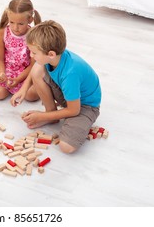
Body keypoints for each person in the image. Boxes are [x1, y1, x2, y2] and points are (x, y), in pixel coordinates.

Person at [10, 20, 101, 154]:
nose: (31, 55)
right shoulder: (54, 57)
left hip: (84, 106)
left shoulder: (70, 73)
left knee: (66, 147)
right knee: (37, 69)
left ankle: (53, 116)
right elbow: (35, 69)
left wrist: (41, 116)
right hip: (68, 95)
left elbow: (74, 110)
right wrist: (23, 89)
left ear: (51, 54)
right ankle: (52, 114)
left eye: (34, 53)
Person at [0, 0, 41, 101]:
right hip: (7, 70)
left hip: (25, 73)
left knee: (32, 96)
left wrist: (18, 79)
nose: (15, 28)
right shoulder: (3, 32)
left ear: (30, 20)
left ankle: (21, 87)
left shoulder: (33, 36)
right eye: (12, 22)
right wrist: (2, 73)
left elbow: (33, 65)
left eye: (20, 24)